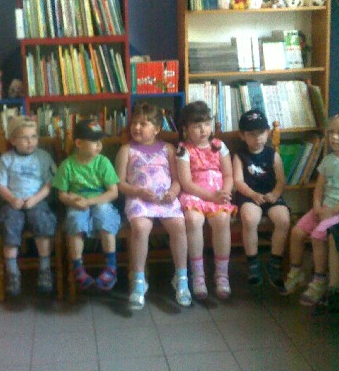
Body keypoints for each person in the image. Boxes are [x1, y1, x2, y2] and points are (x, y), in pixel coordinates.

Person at [115, 103, 188, 309]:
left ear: (156, 128)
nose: (136, 127)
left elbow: (177, 180)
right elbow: (119, 183)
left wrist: (173, 192)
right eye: (134, 123)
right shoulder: (127, 150)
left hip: (165, 198)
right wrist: (137, 192)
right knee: (140, 228)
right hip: (138, 198)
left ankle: (181, 277)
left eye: (143, 124)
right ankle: (139, 280)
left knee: (179, 226)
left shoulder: (168, 149)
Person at [176, 101, 236, 300]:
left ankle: (222, 275)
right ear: (185, 129)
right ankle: (198, 275)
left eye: (206, 124)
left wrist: (225, 193)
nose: (203, 130)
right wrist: (210, 197)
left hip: (218, 193)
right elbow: (186, 182)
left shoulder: (219, 146)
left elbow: (228, 175)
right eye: (196, 125)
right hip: (195, 194)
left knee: (222, 219)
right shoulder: (183, 150)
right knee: (193, 220)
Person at [52, 118, 121, 291]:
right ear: (79, 143)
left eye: (100, 141)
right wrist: (72, 200)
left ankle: (111, 266)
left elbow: (113, 192)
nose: (99, 146)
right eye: (94, 142)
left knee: (104, 215)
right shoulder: (67, 165)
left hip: (100, 201)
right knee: (75, 221)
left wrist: (89, 201)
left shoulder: (103, 162)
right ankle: (77, 267)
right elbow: (61, 194)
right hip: (77, 204)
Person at [0, 115, 57, 297]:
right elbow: (0, 185)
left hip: (37, 201)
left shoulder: (43, 157)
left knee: (41, 219)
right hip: (14, 202)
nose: (31, 142)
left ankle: (45, 269)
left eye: (34, 136)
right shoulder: (7, 159)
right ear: (13, 140)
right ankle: (13, 272)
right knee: (9, 224)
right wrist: (12, 199)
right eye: (25, 138)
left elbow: (50, 183)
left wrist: (35, 199)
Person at [283, 113, 339, 305]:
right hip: (323, 208)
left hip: (338, 212)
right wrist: (317, 206)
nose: (334, 137)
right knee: (297, 232)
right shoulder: (328, 160)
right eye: (331, 132)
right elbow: (319, 188)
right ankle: (296, 271)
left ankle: (319, 280)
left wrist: (332, 211)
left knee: (318, 236)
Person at [233, 109, 290, 290]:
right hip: (249, 195)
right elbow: (238, 181)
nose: (257, 137)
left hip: (271, 194)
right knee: (250, 219)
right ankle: (253, 262)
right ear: (242, 136)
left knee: (283, 219)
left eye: (261, 132)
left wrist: (275, 194)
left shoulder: (273, 154)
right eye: (251, 134)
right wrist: (252, 194)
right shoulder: (239, 155)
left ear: (268, 132)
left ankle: (275, 261)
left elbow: (281, 180)